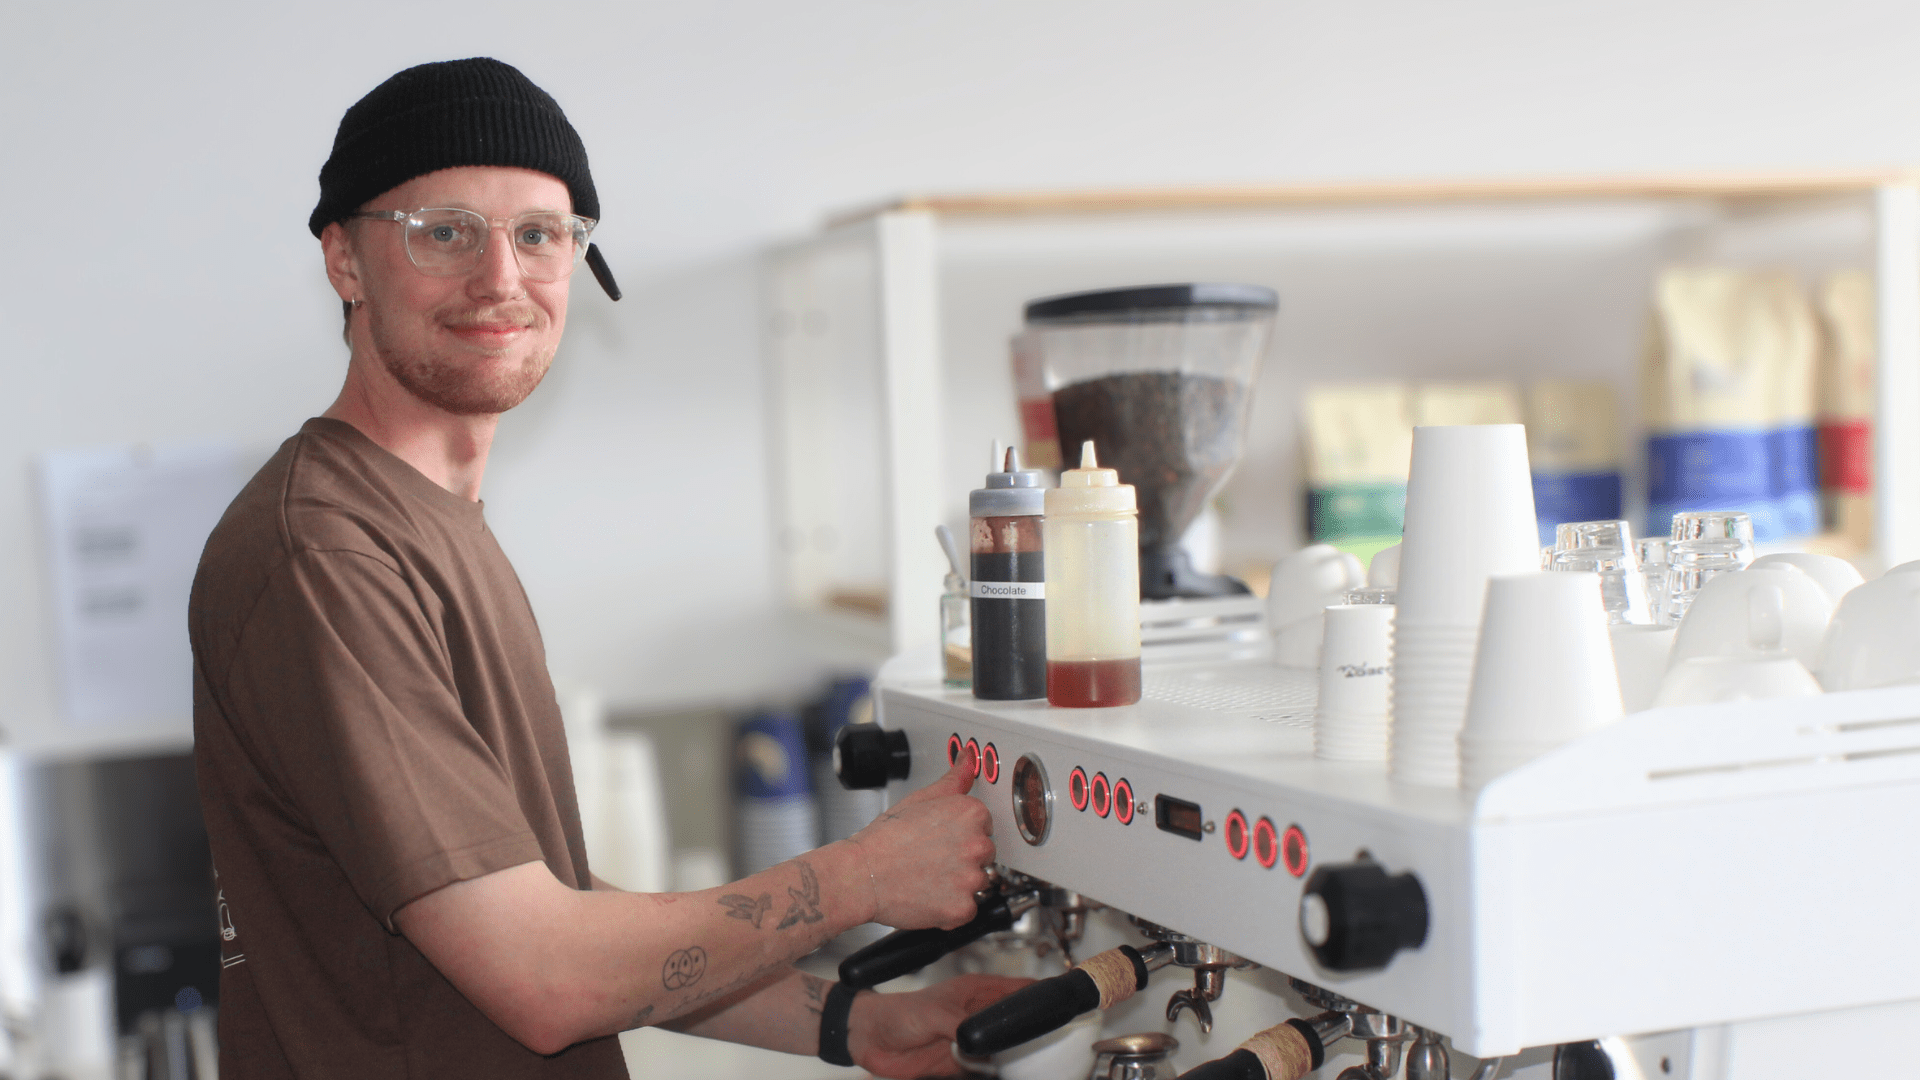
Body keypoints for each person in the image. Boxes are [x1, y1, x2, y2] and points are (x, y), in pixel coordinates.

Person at [189, 57, 1020, 1079]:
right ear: (345, 260)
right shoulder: (323, 554)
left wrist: (843, 1020)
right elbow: (547, 979)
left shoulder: (432, 521)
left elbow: (557, 910)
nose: (500, 278)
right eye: (443, 231)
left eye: (539, 235)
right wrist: (861, 877)